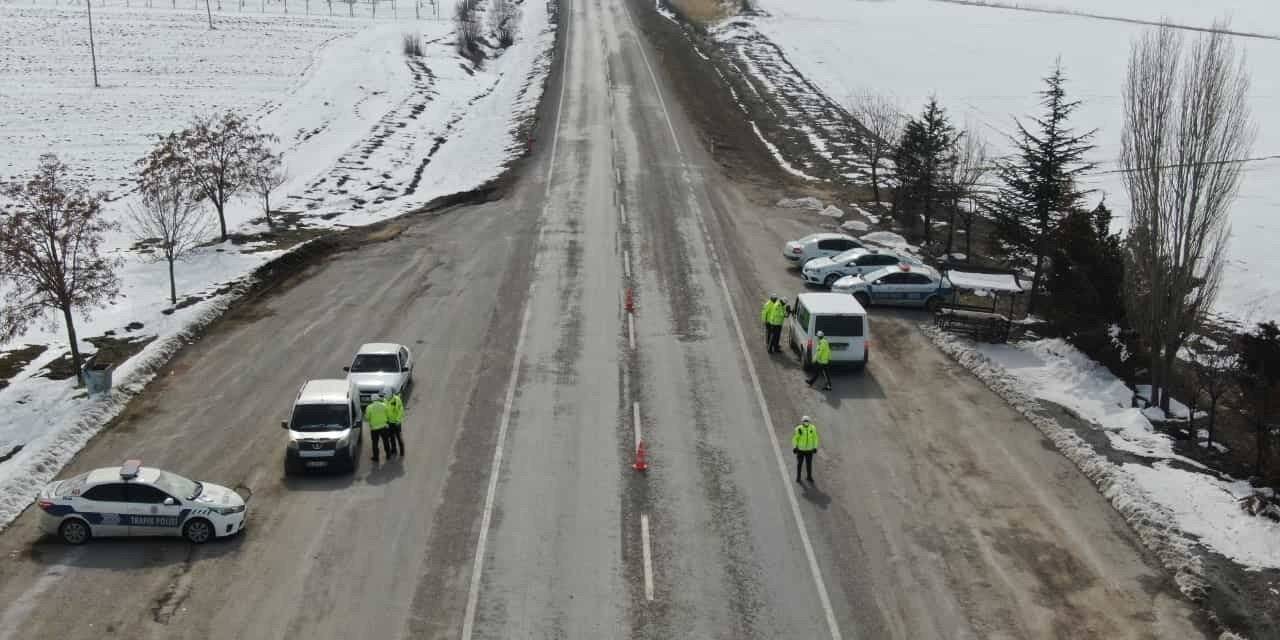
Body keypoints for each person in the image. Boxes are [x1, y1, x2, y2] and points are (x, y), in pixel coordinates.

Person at [792, 416, 820, 482]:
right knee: (799, 464)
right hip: (800, 450)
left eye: (807, 421)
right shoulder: (798, 429)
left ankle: (809, 477)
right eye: (805, 421)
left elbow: (815, 438)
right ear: (802, 421)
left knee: (809, 464)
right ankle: (798, 477)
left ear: (809, 421)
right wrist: (795, 447)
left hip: (809, 450)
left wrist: (815, 447)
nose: (806, 422)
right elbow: (795, 439)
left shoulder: (812, 428)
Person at [366, 393, 391, 462]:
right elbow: (388, 415)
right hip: (384, 427)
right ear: (378, 398)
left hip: (374, 429)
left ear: (372, 399)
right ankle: (388, 455)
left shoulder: (369, 407)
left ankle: (376, 457)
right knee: (386, 441)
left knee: (375, 443)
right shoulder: (384, 405)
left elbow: (367, 418)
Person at [385, 385, 405, 456]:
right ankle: (394, 450)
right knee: (391, 437)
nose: (386, 396)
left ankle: (402, 451)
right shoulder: (385, 400)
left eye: (387, 394)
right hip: (389, 423)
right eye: (385, 395)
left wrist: (398, 420)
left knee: (399, 438)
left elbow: (401, 410)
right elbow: (385, 411)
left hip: (396, 423)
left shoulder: (397, 400)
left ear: (390, 393)